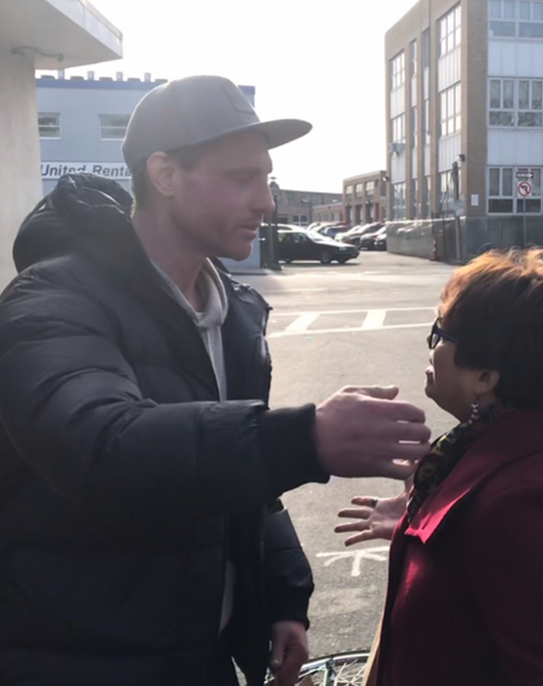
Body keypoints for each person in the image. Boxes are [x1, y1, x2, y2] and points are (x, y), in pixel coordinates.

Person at [0, 75, 431, 686]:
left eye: (267, 179)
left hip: (200, 651)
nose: (266, 202)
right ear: (165, 175)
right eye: (241, 179)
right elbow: (99, 447)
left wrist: (282, 596)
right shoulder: (52, 300)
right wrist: (303, 439)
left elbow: (239, 474)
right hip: (77, 658)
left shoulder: (233, 313)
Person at [336, 249, 543, 685]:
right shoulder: (525, 439)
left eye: (440, 333)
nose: (430, 346)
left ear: (486, 376)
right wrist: (418, 520)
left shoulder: (527, 508)